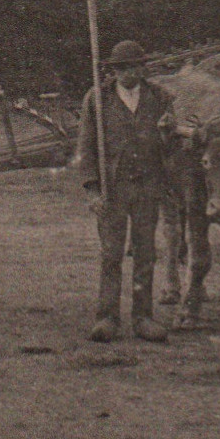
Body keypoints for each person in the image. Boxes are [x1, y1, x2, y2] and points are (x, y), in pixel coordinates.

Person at [76, 39, 173, 343]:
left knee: (145, 253)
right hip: (113, 190)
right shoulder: (97, 99)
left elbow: (172, 147)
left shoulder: (159, 98)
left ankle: (143, 318)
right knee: (111, 254)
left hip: (148, 187)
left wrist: (169, 131)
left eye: (134, 67)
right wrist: (93, 191)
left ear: (143, 68)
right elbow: (86, 148)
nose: (128, 73)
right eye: (122, 68)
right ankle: (107, 318)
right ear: (113, 70)